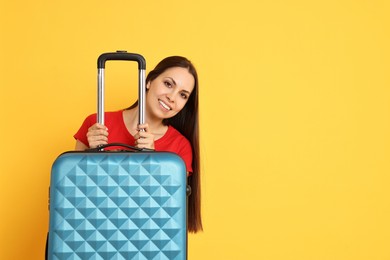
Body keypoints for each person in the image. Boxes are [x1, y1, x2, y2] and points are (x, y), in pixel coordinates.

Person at [74, 56, 202, 233]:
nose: (172, 97)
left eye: (183, 95)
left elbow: (169, 211)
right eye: (168, 84)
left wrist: (153, 159)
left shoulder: (180, 147)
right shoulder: (97, 124)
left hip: (146, 240)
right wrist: (88, 153)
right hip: (93, 233)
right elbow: (74, 193)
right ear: (149, 80)